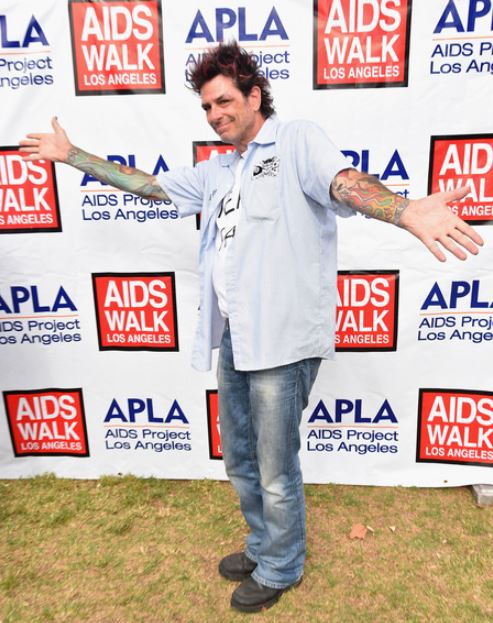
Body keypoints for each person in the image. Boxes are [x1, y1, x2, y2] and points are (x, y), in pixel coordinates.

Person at [20, 42, 483, 614]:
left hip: (284, 342)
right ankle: (265, 545)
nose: (215, 115)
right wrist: (73, 156)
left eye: (224, 101)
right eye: (207, 108)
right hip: (237, 335)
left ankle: (283, 565)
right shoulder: (217, 170)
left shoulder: (296, 141)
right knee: (239, 457)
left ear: (254, 95)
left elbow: (342, 182)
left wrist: (404, 209)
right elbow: (149, 186)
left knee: (274, 464)